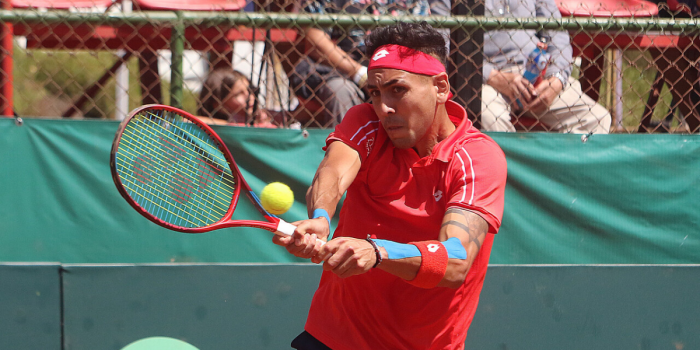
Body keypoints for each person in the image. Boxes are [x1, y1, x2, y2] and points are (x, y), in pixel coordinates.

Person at [274, 22, 508, 350]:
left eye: (398, 90)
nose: (384, 107)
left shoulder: (477, 157)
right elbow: (334, 171)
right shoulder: (365, 121)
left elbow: (456, 260)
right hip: (333, 337)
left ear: (440, 87)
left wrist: (378, 252)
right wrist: (322, 218)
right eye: (375, 92)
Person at [288, 0, 450, 128]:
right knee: (340, 92)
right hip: (343, 71)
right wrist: (360, 74)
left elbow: (424, 42)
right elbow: (315, 40)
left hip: (400, 69)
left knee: (417, 91)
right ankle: (348, 156)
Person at [481, 0, 612, 134]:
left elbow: (557, 36)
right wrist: (491, 76)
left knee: (597, 118)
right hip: (489, 79)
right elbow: (459, 49)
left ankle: (563, 155)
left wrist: (556, 79)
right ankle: (508, 155)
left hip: (537, 75)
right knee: (488, 116)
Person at [198, 67, 280, 128]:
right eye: (238, 94)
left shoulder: (264, 115)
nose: (249, 96)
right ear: (218, 105)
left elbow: (289, 116)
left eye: (249, 90)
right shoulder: (220, 127)